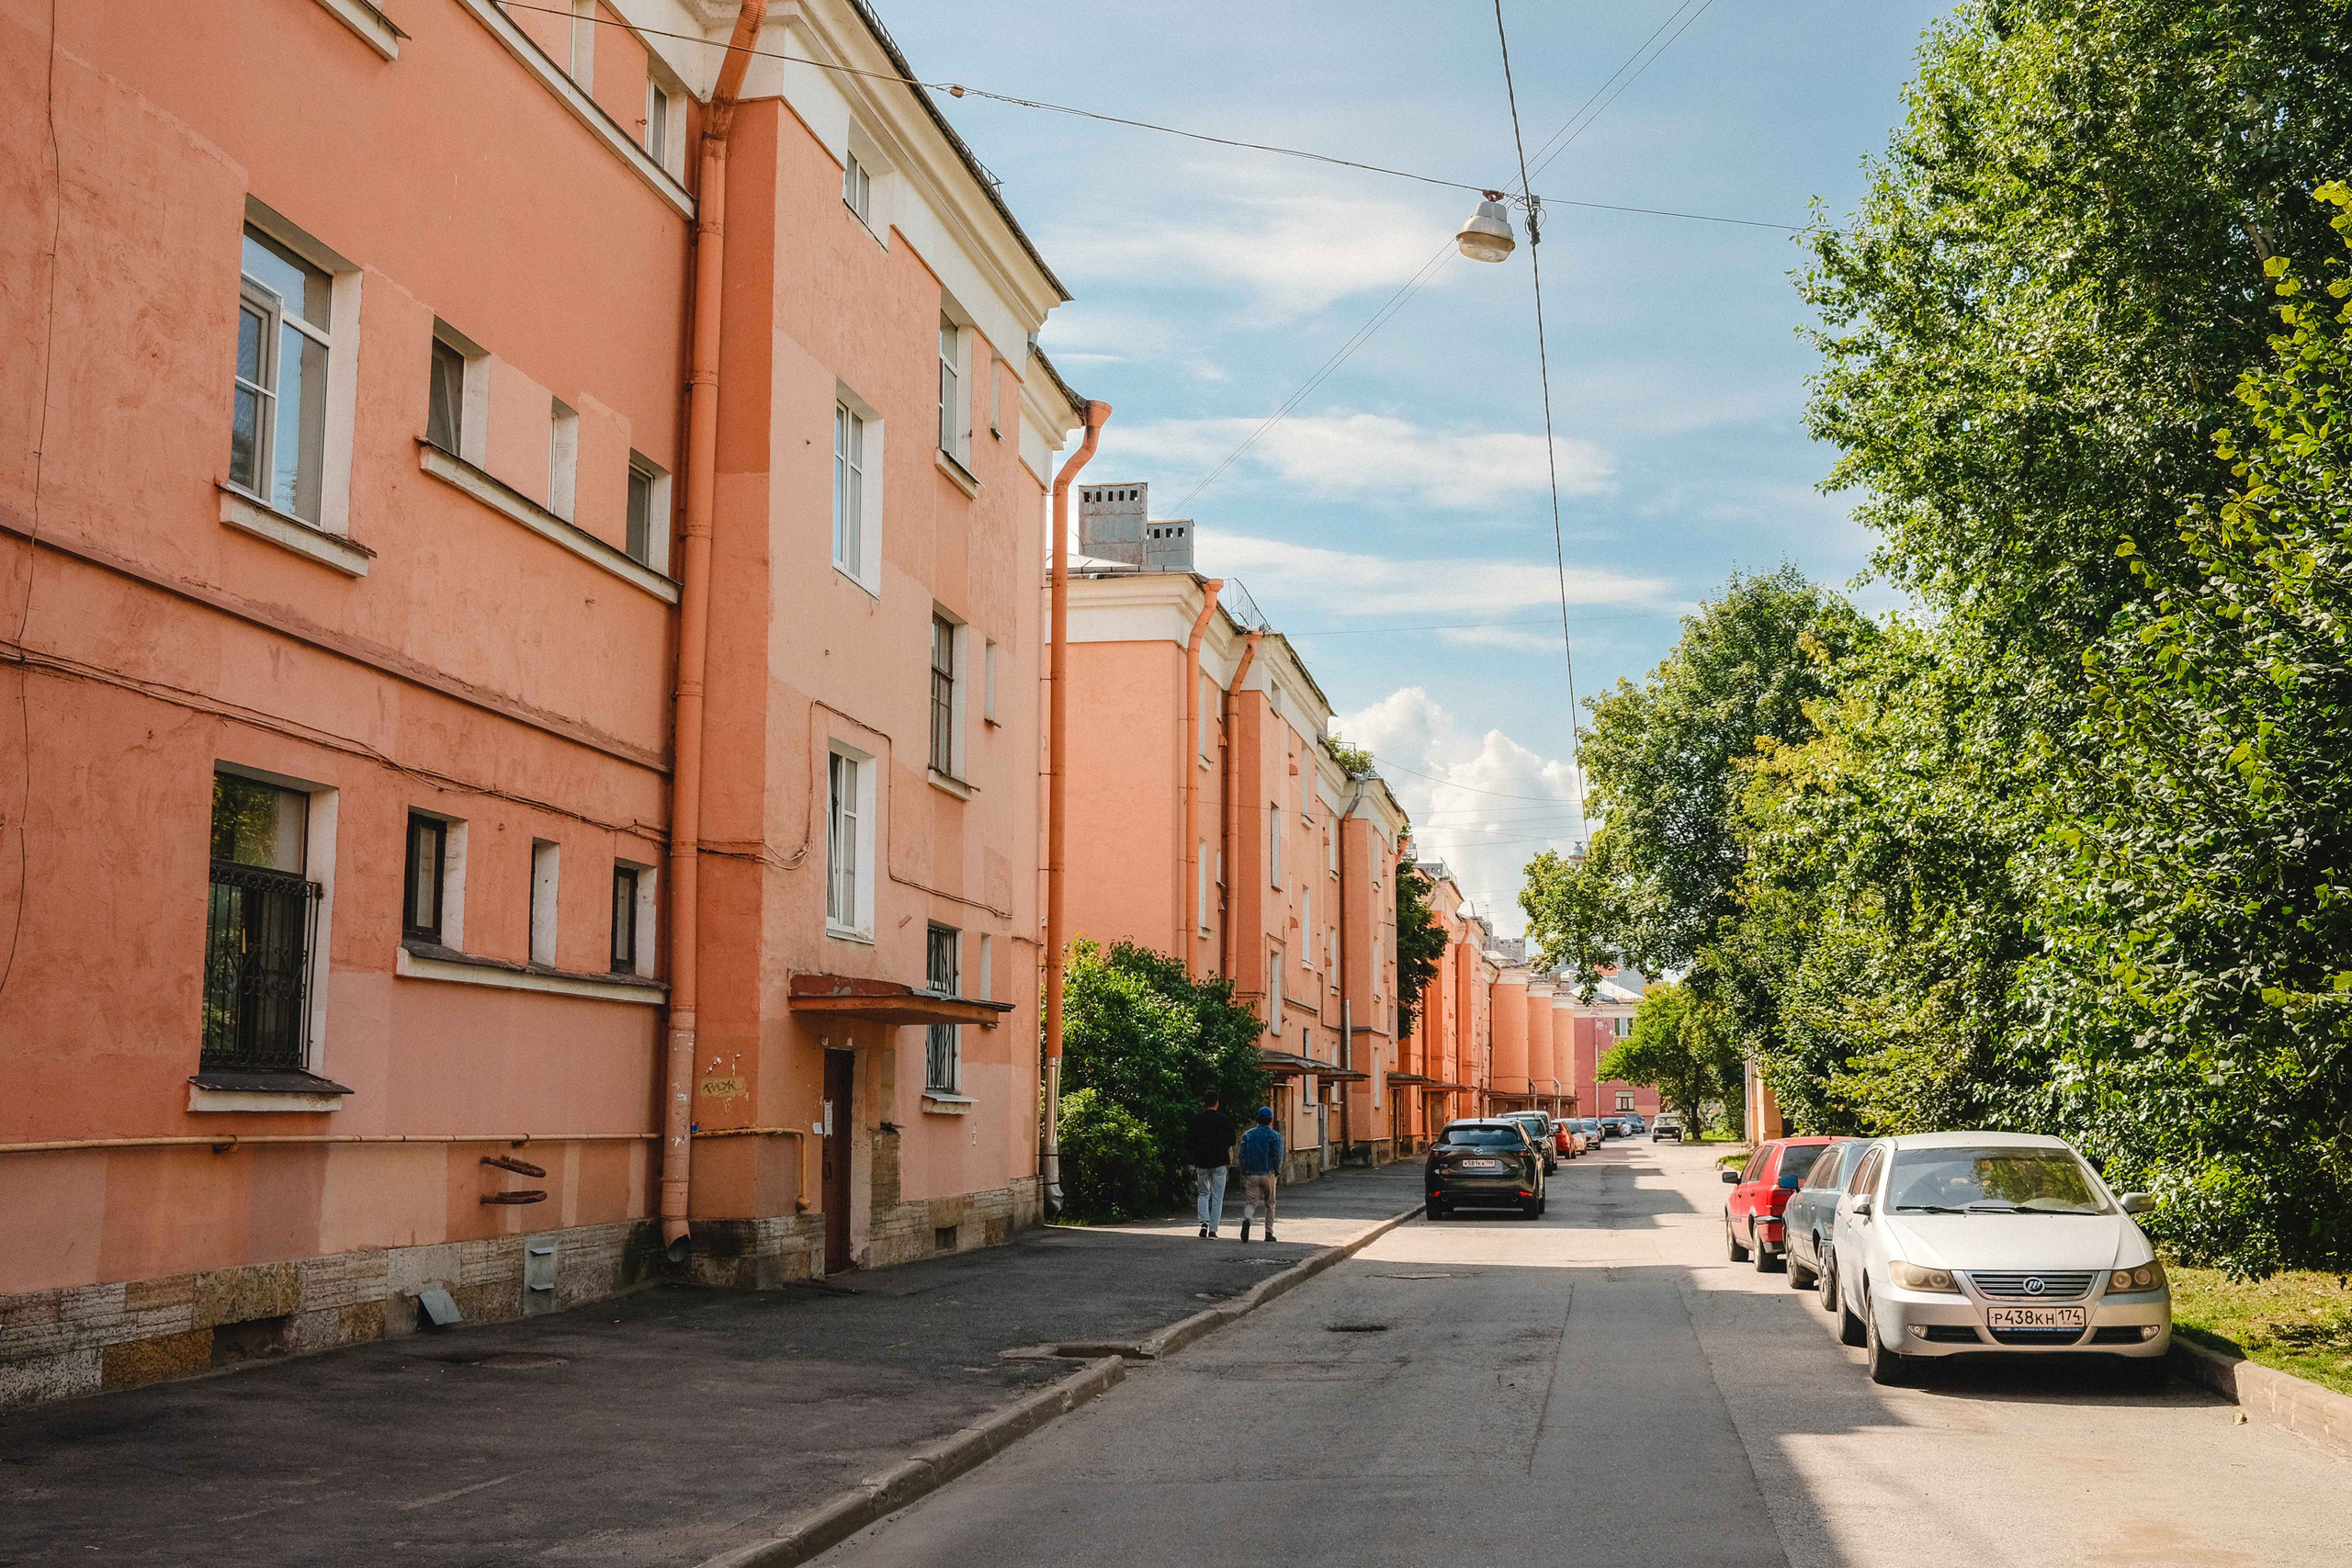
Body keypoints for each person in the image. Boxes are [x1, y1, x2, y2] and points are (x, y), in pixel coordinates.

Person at [1183, 1093, 1237, 1238]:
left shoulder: (1196, 1121)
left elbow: (1189, 1142)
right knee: (1217, 1196)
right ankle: (1213, 1229)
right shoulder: (1224, 1121)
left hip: (1202, 1161)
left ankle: (1203, 1222)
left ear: (1204, 1103)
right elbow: (1232, 1140)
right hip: (1219, 1161)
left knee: (1203, 1193)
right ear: (1217, 1103)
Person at [1237, 1106, 1283, 1243]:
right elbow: (1278, 1155)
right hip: (1269, 1173)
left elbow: (1242, 1155)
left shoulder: (1248, 1135)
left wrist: (1244, 1170)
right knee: (1270, 1203)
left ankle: (1247, 1219)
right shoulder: (1275, 1135)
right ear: (1270, 1120)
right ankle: (1268, 1233)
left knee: (1250, 1202)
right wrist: (1277, 1171)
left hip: (1252, 1173)